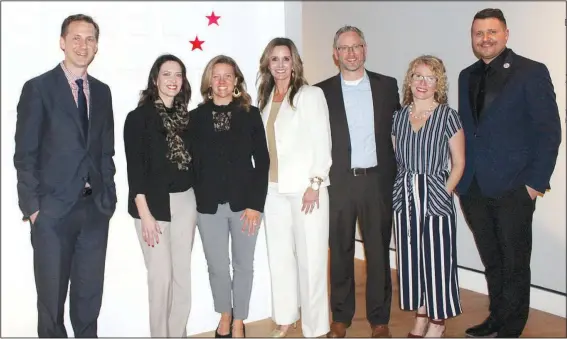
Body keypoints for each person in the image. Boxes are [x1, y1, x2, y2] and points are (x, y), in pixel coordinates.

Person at [456, 8, 561, 338]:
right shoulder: (466, 75)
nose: (485, 38)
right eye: (478, 33)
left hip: (515, 186)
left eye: (492, 32)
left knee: (514, 261)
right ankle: (496, 317)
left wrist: (534, 184)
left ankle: (512, 327)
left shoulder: (530, 72)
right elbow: (469, 130)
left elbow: (549, 131)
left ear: (506, 34)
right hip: (473, 186)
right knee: (492, 259)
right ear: (472, 38)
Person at [13, 14, 116, 338]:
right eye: (76, 38)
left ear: (96, 45)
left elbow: (105, 152)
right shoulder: (38, 89)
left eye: (89, 39)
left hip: (94, 212)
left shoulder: (102, 92)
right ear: (62, 42)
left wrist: (107, 198)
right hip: (52, 213)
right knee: (51, 302)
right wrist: (34, 209)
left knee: (89, 300)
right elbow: (25, 155)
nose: (83, 45)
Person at [314, 26, 401, 338]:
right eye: (344, 48)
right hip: (338, 183)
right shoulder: (319, 91)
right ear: (335, 54)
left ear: (365, 49)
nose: (351, 53)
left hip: (376, 181)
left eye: (356, 47)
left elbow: (399, 134)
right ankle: (340, 316)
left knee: (378, 252)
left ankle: (379, 320)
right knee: (339, 251)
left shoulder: (387, 86)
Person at [189, 55, 269, 338]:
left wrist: (255, 205)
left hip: (244, 206)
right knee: (217, 266)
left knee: (243, 264)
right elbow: (190, 163)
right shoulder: (194, 118)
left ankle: (239, 321)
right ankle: (225, 315)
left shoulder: (250, 114)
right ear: (209, 81)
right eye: (216, 76)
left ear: (236, 81)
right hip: (208, 207)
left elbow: (262, 161)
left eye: (227, 76)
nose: (222, 82)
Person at [257, 37, 332, 338]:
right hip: (272, 191)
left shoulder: (310, 95)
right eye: (274, 59)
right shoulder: (264, 99)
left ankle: (316, 327)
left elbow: (322, 142)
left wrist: (315, 183)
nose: (280, 65)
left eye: (285, 59)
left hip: (306, 191)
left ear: (294, 62)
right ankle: (285, 318)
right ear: (268, 63)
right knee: (280, 258)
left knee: (312, 260)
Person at [391, 55, 465, 338]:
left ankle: (438, 320)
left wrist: (442, 193)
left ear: (439, 83)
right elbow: (399, 158)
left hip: (435, 192)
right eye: (418, 76)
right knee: (411, 259)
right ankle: (420, 315)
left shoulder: (448, 116)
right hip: (405, 195)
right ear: (410, 80)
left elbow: (459, 162)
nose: (423, 83)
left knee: (437, 259)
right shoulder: (398, 117)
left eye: (430, 78)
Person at [123, 54, 197, 338]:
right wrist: (145, 215)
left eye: (178, 75)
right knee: (160, 278)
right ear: (155, 79)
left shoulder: (186, 118)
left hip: (185, 203)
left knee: (181, 279)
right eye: (167, 74)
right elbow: (135, 169)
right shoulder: (138, 118)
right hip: (152, 206)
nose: (173, 80)